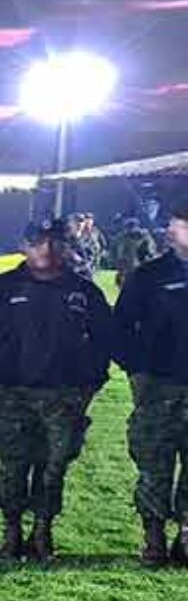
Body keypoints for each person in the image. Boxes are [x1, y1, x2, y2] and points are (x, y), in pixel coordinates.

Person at [0, 218, 115, 564]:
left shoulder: (83, 291)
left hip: (64, 396)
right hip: (10, 393)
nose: (45, 249)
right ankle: (12, 530)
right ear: (24, 246)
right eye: (37, 242)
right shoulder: (0, 288)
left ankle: (43, 530)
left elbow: (105, 343)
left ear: (64, 246)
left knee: (54, 467)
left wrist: (90, 385)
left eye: (53, 242)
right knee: (13, 466)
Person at [112, 201, 188, 566]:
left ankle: (187, 535)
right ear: (172, 231)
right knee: (154, 465)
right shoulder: (149, 276)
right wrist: (136, 371)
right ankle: (153, 536)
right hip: (160, 387)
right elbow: (120, 328)